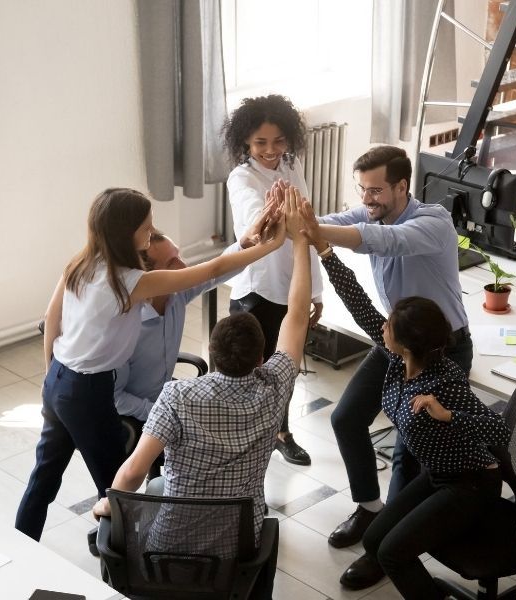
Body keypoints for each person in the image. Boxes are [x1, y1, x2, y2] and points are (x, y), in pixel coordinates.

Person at [15, 187, 283, 541]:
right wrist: (272, 246)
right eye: (147, 227)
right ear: (127, 233)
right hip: (89, 391)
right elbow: (212, 268)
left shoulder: (82, 264)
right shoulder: (132, 283)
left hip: (61, 381)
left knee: (45, 475)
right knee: (119, 488)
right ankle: (119, 563)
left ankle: (24, 541)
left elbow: (52, 319)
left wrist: (53, 376)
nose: (151, 231)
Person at [92, 187, 313, 600]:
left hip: (167, 551)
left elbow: (135, 472)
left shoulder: (176, 398)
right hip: (238, 549)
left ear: (210, 352)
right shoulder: (276, 385)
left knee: (157, 490)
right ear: (262, 358)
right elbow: (296, 315)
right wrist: (300, 242)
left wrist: (108, 504)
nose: (182, 266)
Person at [300, 202, 511, 595]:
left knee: (393, 554)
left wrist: (449, 416)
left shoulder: (444, 381)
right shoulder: (398, 360)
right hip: (437, 475)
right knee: (375, 543)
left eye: (390, 324)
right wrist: (324, 250)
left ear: (406, 342)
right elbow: (359, 301)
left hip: (470, 484)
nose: (382, 326)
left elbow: (501, 427)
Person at [317, 145, 473, 549]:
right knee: (346, 418)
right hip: (396, 343)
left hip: (443, 351)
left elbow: (384, 242)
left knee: (407, 451)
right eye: (361, 190)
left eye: (375, 191)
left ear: (402, 186)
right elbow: (330, 223)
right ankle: (371, 509)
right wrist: (294, 223)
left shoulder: (433, 222)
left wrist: (313, 233)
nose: (366, 199)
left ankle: (389, 546)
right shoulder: (371, 212)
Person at [222, 94, 325, 466]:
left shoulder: (291, 165)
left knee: (287, 366)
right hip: (258, 290)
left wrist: (315, 290)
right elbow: (258, 227)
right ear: (246, 143)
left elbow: (306, 230)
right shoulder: (241, 177)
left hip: (292, 285)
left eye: (278, 140)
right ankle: (243, 439)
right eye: (261, 142)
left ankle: (281, 433)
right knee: (254, 371)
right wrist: (283, 212)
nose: (271, 150)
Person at [113, 229, 254, 477]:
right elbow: (115, 398)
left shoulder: (176, 295)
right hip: (134, 413)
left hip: (162, 396)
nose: (183, 265)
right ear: (149, 278)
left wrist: (245, 245)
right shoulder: (126, 325)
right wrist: (160, 410)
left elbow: (215, 272)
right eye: (171, 262)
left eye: (178, 256)